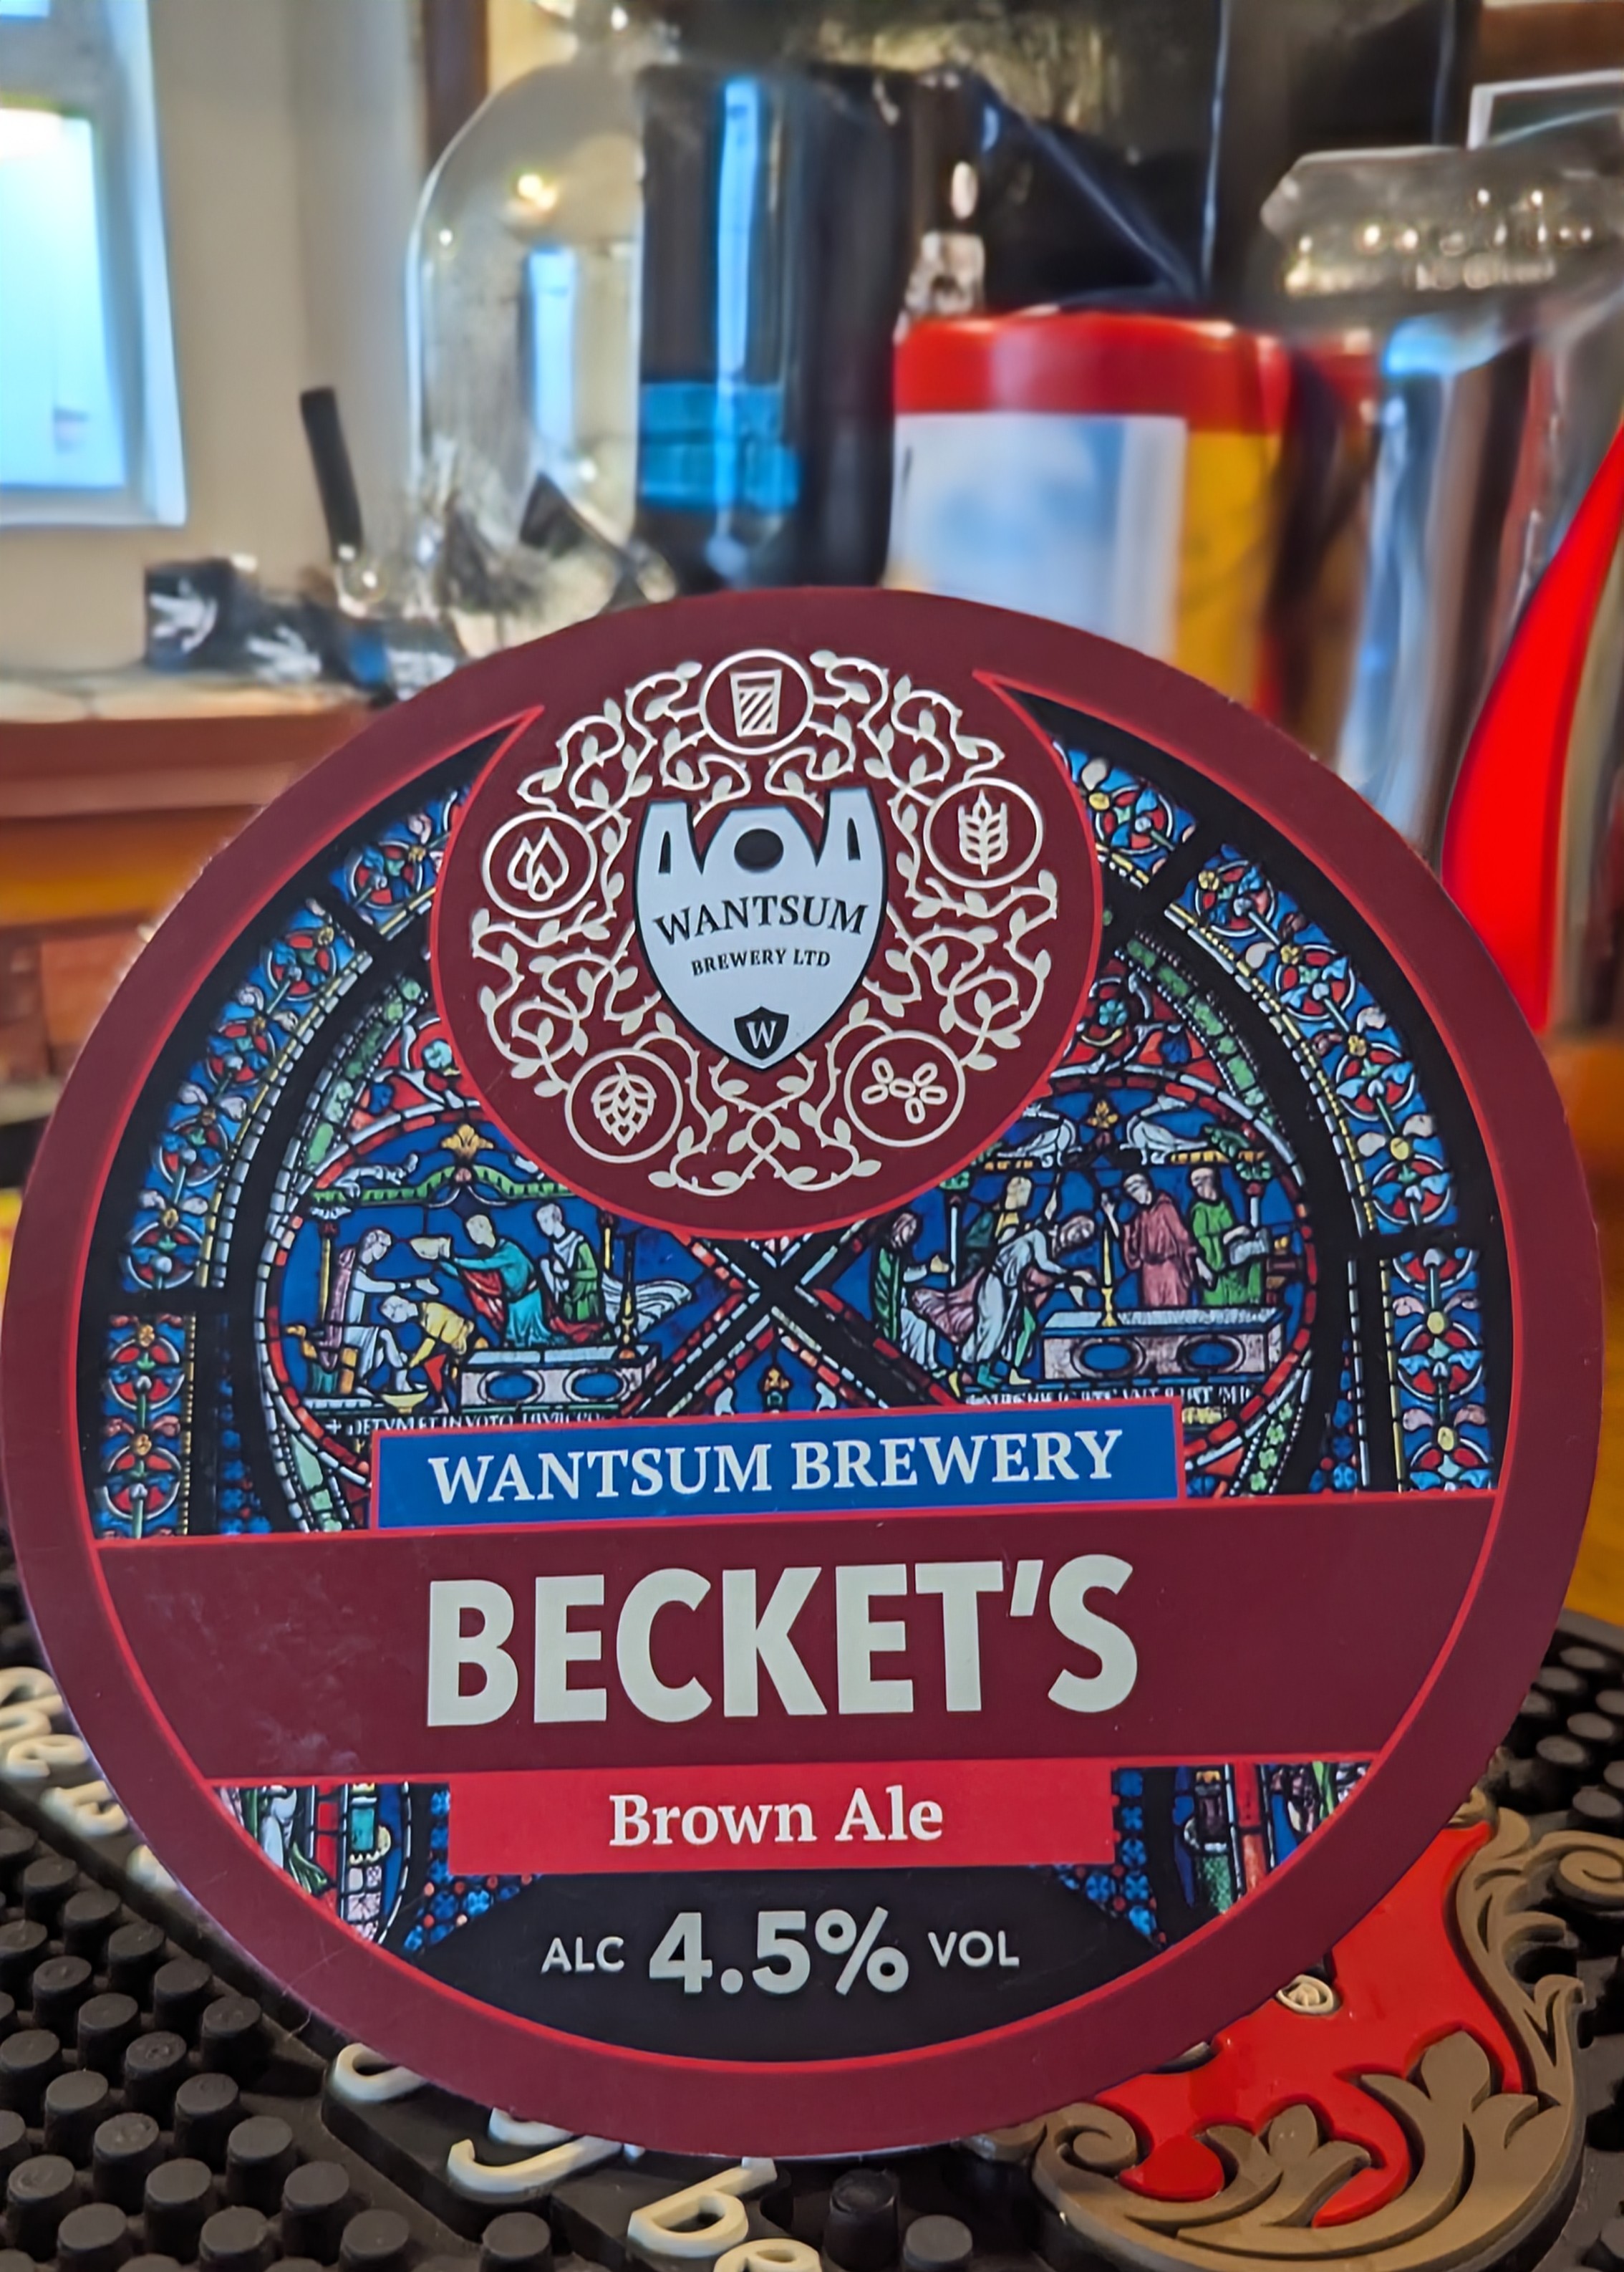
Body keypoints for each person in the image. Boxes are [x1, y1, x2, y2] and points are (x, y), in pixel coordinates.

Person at [960, 1211, 1096, 1390]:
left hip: (1012, 1289)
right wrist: (1075, 1275)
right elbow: (1043, 1265)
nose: (1078, 1235)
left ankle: (988, 1372)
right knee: (992, 1327)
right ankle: (964, 1369)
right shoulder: (1040, 1236)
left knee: (1004, 1331)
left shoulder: (1056, 1252)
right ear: (1070, 1223)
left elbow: (1045, 1278)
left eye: (1083, 1237)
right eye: (1079, 1229)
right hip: (996, 1282)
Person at [412, 1213, 548, 1349]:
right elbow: (465, 1275)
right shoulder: (486, 1255)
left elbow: (485, 1264)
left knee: (536, 1340)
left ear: (488, 1227)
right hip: (512, 1305)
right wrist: (441, 1261)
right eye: (470, 1231)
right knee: (513, 1341)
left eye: (476, 1229)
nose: (473, 1235)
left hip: (530, 1302)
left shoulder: (508, 1250)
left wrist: (452, 1258)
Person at [1113, 1172, 1207, 1309]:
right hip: (1149, 1274)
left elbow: (1183, 1237)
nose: (1134, 1195)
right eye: (1130, 1193)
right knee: (1151, 1312)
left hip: (1170, 1269)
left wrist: (1199, 1263)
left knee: (1175, 1310)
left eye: (1135, 1189)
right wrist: (1110, 1216)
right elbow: (1128, 1240)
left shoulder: (1166, 1207)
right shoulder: (1140, 1217)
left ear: (1146, 1185)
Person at [378, 1291, 480, 1407]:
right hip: (455, 1348)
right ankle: (446, 1404)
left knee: (444, 1374)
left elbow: (430, 1344)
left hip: (468, 1341)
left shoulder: (432, 1312)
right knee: (438, 1372)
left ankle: (463, 1405)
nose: (393, 1321)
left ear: (402, 1306)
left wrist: (412, 1363)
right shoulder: (423, 1316)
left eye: (392, 1316)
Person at [871, 1211, 943, 1370]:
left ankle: (930, 1365)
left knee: (929, 1329)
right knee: (919, 1327)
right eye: (909, 1226)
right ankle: (917, 1365)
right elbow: (901, 1276)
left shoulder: (902, 1254)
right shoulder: (885, 1251)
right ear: (899, 1224)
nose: (911, 1232)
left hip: (901, 1307)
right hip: (889, 1311)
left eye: (914, 1229)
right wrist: (928, 1268)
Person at [1189, 1164, 1264, 1308]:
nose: (1198, 1189)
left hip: (1235, 1273)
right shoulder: (1199, 1212)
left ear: (1212, 1181)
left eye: (1201, 1183)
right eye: (1196, 1186)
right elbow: (1202, 1245)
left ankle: (1254, 1298)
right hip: (1218, 1284)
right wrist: (1232, 1234)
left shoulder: (1224, 1205)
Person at [535, 1200, 604, 1334]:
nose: (542, 1227)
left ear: (557, 1219)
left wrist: (569, 1275)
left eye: (545, 1221)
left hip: (583, 1298)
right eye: (540, 1223)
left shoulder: (579, 1243)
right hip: (567, 1297)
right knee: (544, 1263)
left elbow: (594, 1273)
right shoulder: (555, 1245)